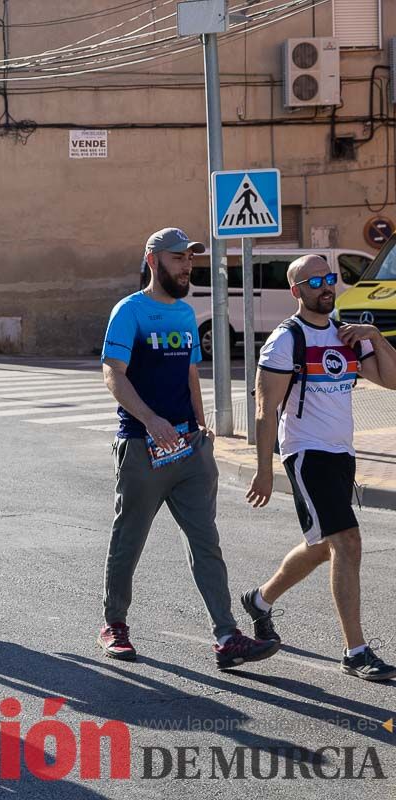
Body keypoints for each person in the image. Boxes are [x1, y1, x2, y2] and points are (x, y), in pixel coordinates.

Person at [99, 227, 280, 670]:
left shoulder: (183, 313)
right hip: (143, 447)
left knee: (206, 542)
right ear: (152, 259)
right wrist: (151, 419)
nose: (186, 265)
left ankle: (226, 636)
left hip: (189, 451)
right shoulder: (130, 311)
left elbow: (189, 374)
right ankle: (114, 625)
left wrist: (201, 428)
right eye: (178, 258)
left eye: (189, 259)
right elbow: (113, 375)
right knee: (129, 540)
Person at [244, 255, 396, 681]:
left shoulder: (346, 335)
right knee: (347, 541)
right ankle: (356, 651)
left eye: (330, 279)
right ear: (297, 291)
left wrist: (378, 339)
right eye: (314, 281)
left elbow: (392, 380)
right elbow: (264, 409)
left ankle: (259, 600)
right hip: (307, 454)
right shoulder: (284, 341)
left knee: (321, 545)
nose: (326, 287)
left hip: (342, 454)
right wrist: (263, 470)